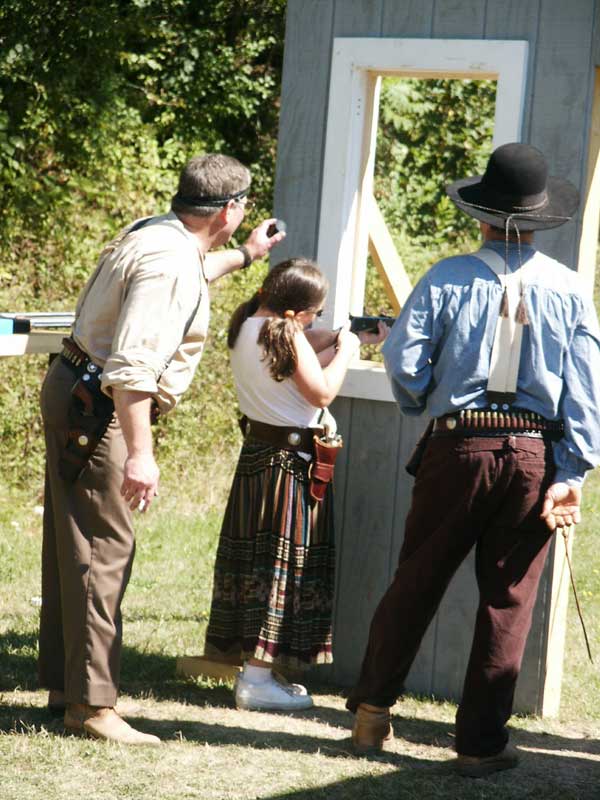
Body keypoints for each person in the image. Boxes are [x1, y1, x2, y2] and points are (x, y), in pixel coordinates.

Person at [346, 143, 600, 776]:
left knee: (417, 579)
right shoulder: (571, 291)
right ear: (539, 222)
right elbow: (587, 391)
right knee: (508, 600)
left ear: (481, 217)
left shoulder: (446, 278)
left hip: (459, 449)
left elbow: (404, 364)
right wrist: (572, 473)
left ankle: (372, 714)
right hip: (535, 455)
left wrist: (435, 405)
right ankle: (481, 744)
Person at [39, 153, 285, 744]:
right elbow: (132, 368)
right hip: (102, 407)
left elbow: (195, 267)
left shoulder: (158, 232)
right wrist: (140, 454)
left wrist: (248, 254)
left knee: (71, 545)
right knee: (103, 551)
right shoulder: (170, 263)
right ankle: (92, 707)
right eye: (243, 207)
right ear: (228, 208)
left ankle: (65, 685)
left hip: (74, 386)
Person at [203, 258, 388, 711]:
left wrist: (336, 338)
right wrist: (347, 351)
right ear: (296, 312)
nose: (315, 322)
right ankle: (258, 680)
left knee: (257, 565)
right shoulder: (283, 334)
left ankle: (257, 670)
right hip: (289, 464)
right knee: (281, 570)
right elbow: (321, 392)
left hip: (261, 457)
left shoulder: (248, 324)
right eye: (314, 314)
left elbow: (291, 374)